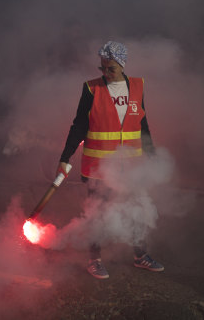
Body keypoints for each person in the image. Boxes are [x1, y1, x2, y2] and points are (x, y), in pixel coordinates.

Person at [58, 41, 164, 279]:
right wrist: (65, 157)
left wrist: (152, 155)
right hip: (99, 169)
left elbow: (142, 125)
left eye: (111, 69)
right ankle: (94, 260)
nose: (105, 73)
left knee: (137, 209)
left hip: (132, 167)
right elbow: (78, 127)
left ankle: (140, 256)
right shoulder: (90, 89)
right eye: (103, 68)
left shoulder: (137, 86)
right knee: (98, 213)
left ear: (122, 65)